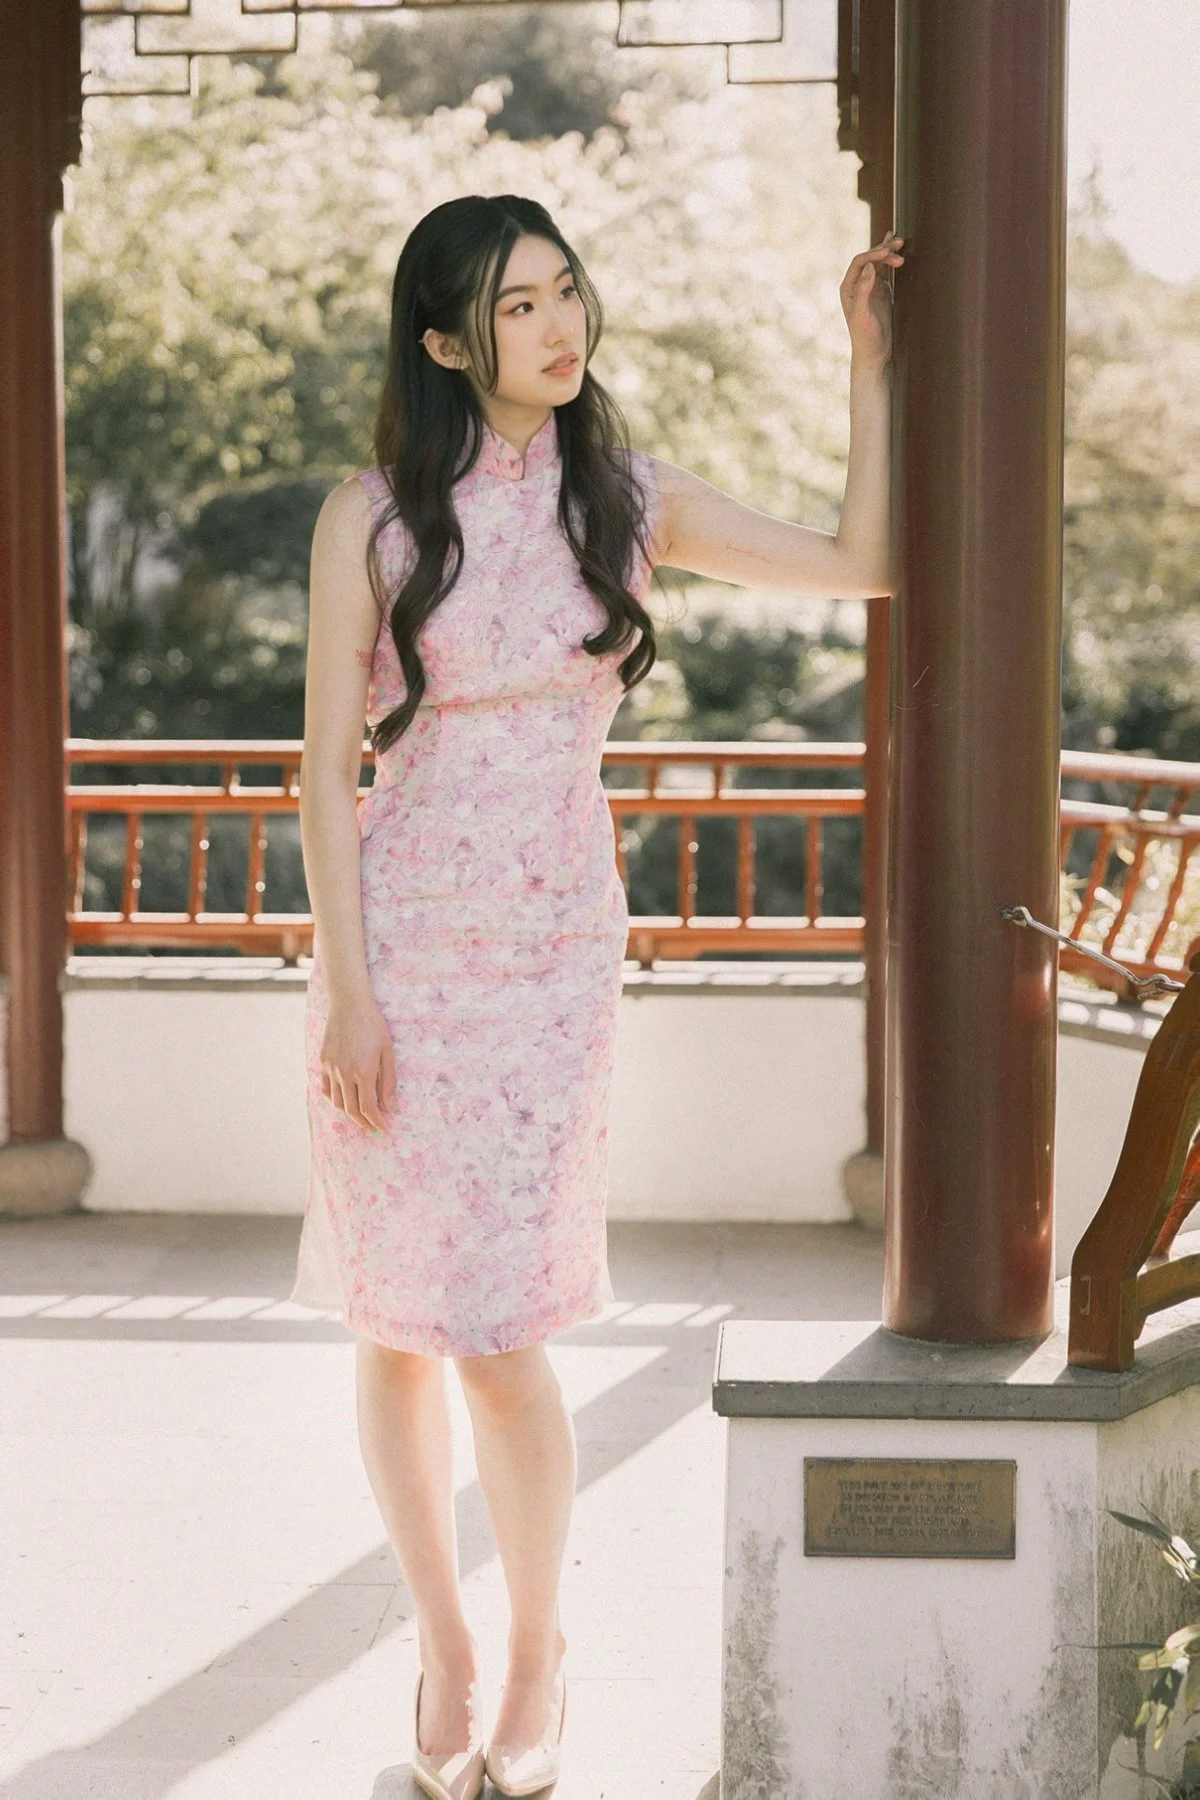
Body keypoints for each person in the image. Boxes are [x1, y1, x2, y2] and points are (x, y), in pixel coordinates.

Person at [289, 192, 901, 1799]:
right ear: (443, 341)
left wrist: (868, 367)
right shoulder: (370, 517)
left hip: (554, 959)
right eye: (514, 309)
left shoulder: (624, 498)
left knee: (497, 1323)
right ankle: (445, 1647)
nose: (559, 328)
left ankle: (541, 1645)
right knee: (397, 1316)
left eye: (566, 293)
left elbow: (869, 565)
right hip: (400, 962)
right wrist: (350, 994)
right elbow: (321, 780)